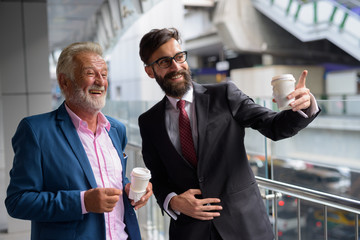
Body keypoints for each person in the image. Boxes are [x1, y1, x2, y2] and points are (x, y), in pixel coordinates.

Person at [137, 28, 320, 240]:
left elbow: (274, 126)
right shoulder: (149, 122)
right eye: (164, 62)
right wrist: (173, 201)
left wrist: (303, 106)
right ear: (150, 71)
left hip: (245, 226)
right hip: (190, 231)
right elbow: (157, 178)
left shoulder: (224, 94)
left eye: (179, 57)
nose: (176, 66)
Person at [5, 41, 152, 240]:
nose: (100, 81)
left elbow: (112, 180)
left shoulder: (116, 129)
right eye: (90, 73)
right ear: (64, 82)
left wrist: (129, 190)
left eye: (104, 74)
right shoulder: (36, 131)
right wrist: (82, 202)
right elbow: (18, 202)